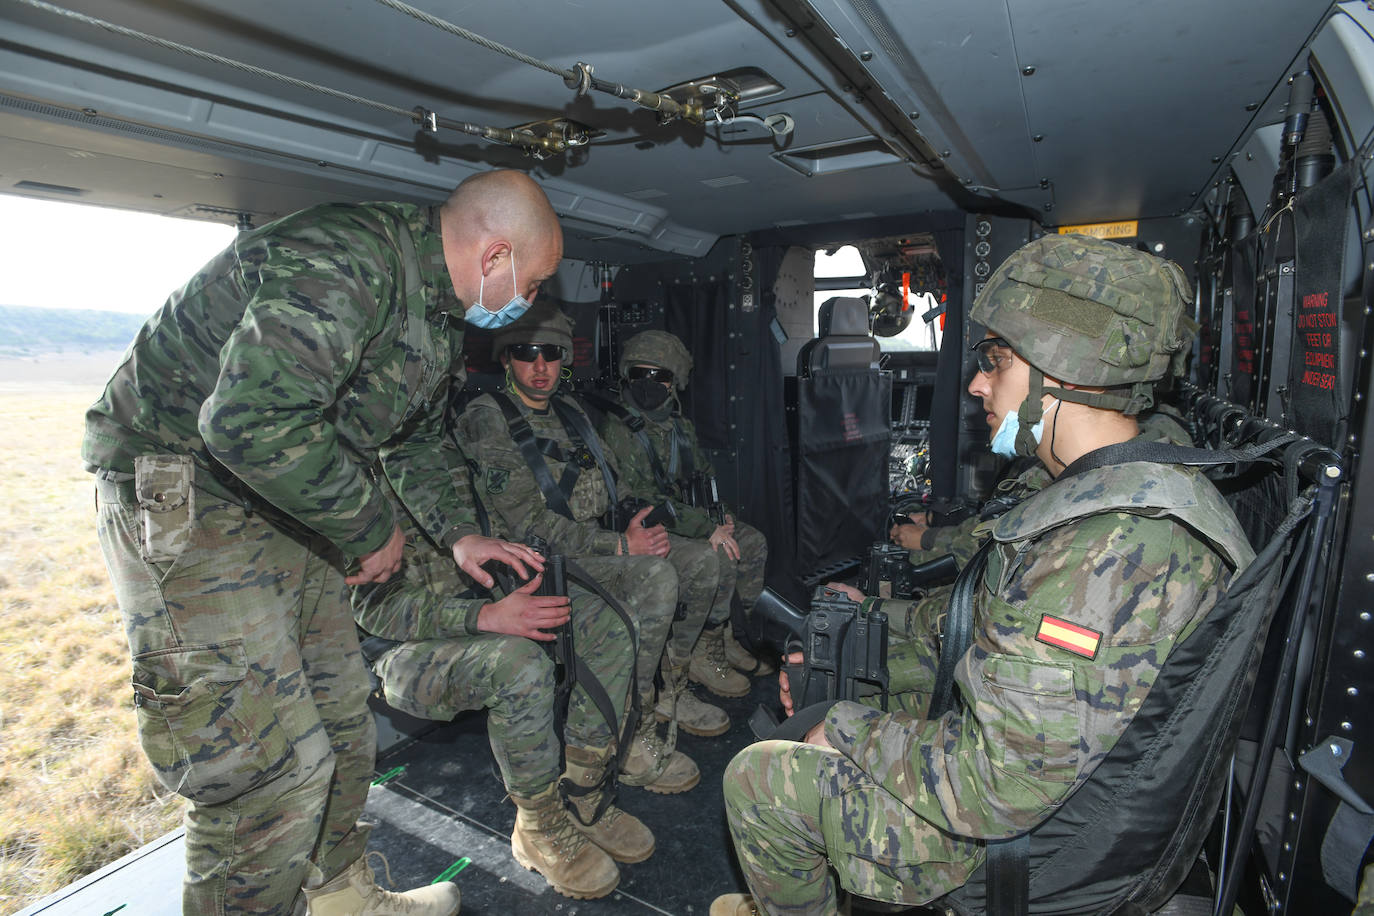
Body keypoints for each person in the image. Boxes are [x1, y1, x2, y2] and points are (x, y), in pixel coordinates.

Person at [711, 234, 1255, 915]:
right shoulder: (1137, 479)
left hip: (1029, 845)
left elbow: (995, 786)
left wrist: (845, 728)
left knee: (761, 779)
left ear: (1066, 375)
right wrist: (874, 623)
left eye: (997, 362)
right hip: (1071, 783)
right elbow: (992, 628)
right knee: (845, 669)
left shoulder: (1108, 553)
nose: (975, 383)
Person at [83, 168, 563, 915]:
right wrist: (369, 528)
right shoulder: (350, 261)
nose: (529, 304)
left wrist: (459, 535)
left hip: (282, 494)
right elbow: (247, 420)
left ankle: (342, 897)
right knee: (261, 770)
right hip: (188, 494)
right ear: (495, 257)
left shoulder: (433, 311)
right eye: (531, 284)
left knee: (342, 722)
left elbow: (413, 439)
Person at [453, 300, 712, 792]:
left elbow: (614, 484)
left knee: (695, 559)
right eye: (525, 353)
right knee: (656, 576)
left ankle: (659, 695)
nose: (539, 366)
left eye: (551, 353)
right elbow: (528, 523)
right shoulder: (488, 420)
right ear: (506, 359)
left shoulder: (572, 413)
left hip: (596, 543)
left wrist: (646, 522)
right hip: (540, 563)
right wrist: (620, 546)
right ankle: (625, 729)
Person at [351, 476, 648, 900]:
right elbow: (375, 608)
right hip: (401, 646)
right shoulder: (351, 485)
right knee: (518, 664)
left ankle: (584, 791)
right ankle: (538, 825)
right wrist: (485, 616)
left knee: (610, 624)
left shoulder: (430, 457)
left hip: (479, 607)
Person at [597, 331, 773, 691]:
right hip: (653, 522)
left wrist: (719, 514)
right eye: (639, 375)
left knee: (752, 542)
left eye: (659, 377)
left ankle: (723, 636)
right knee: (718, 554)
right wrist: (706, 528)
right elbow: (644, 498)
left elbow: (702, 475)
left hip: (689, 516)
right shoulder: (619, 429)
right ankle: (698, 654)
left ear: (674, 382)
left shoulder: (679, 427)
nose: (649, 385)